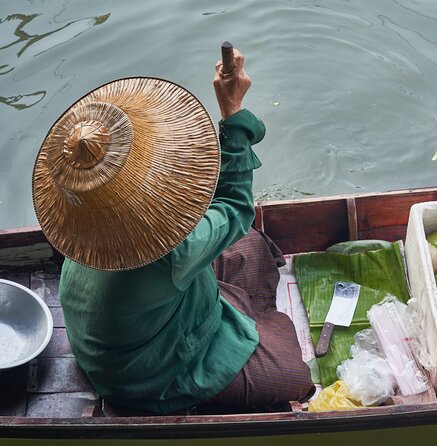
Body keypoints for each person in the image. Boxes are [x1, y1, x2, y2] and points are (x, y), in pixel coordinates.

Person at [32, 49, 315, 414]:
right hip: (148, 376)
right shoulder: (172, 255)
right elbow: (235, 206)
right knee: (294, 375)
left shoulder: (84, 223)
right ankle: (246, 329)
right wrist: (232, 112)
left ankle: (240, 316)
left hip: (131, 327)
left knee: (249, 244)